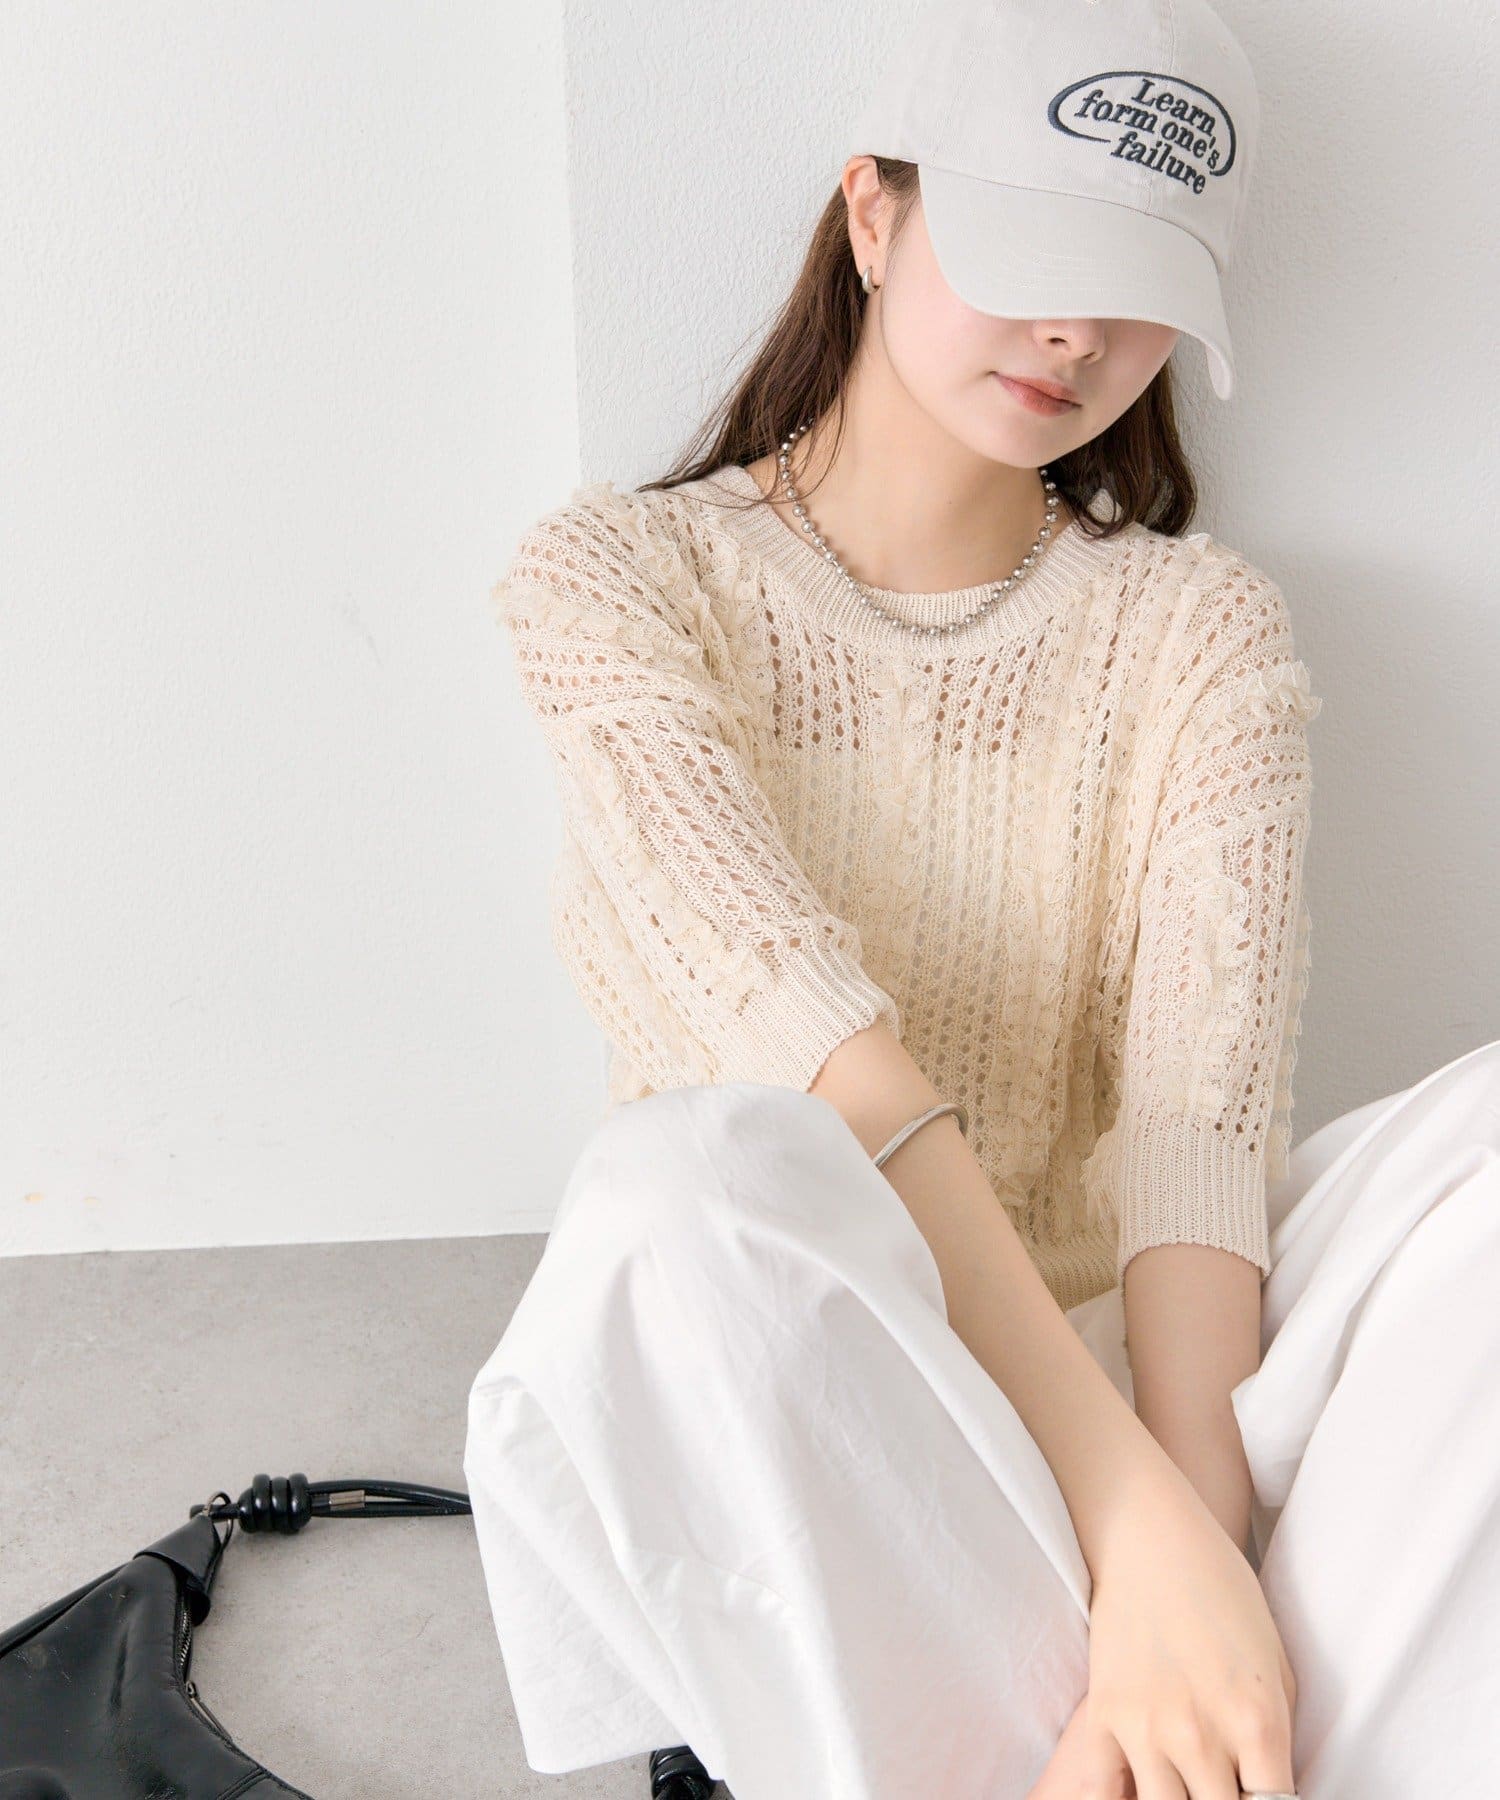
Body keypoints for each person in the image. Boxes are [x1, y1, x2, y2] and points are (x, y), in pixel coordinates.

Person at [463, 2, 1500, 1796]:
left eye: (1133, 285)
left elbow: (1194, 1136)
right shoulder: (619, 581)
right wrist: (1133, 1526)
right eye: (1030, 253)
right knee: (677, 1196)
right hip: (847, 1394)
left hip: (1149, 1373)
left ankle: (1198, 1732)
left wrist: (1198, 1540)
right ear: (871, 214)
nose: (1078, 333)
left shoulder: (1197, 629)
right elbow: (824, 1060)